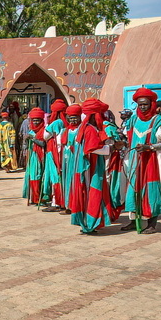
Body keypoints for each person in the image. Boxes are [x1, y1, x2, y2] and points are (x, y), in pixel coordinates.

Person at [121, 88, 161, 234]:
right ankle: (134, 221)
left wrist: (150, 147)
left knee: (151, 191)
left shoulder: (160, 121)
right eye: (140, 105)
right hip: (135, 160)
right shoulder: (134, 119)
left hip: (151, 161)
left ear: (152, 104)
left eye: (145, 104)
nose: (142, 107)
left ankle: (152, 224)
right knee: (134, 189)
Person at [68, 99, 119, 234]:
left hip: (85, 167)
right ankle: (90, 223)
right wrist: (112, 147)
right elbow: (92, 148)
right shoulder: (89, 129)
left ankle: (88, 223)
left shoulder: (83, 128)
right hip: (91, 168)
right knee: (93, 193)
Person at [22, 108, 48, 205]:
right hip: (32, 157)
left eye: (38, 120)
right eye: (34, 120)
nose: (36, 122)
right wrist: (26, 140)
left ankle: (40, 198)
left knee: (39, 176)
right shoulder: (31, 131)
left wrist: (33, 139)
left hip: (40, 157)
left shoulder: (44, 131)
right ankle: (33, 197)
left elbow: (43, 144)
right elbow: (26, 145)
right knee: (32, 176)